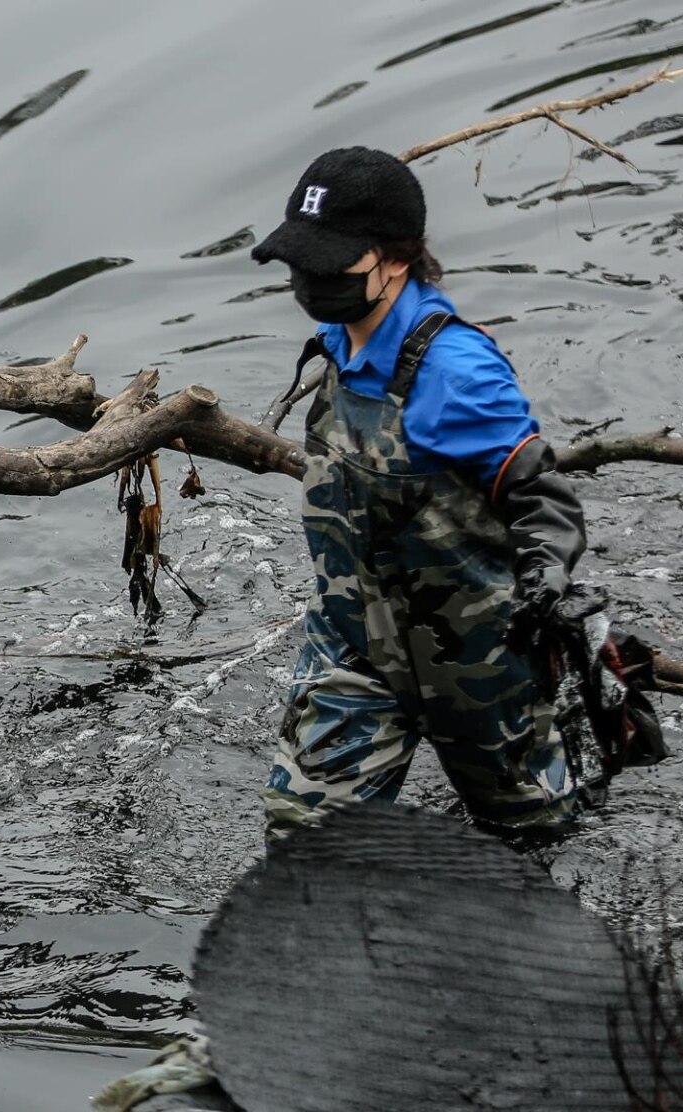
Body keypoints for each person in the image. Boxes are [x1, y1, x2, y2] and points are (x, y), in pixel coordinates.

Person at [250, 146, 587, 834]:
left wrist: (546, 582)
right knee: (304, 839)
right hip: (355, 643)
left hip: (475, 659)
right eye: (299, 262)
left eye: (327, 262)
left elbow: (544, 501)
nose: (309, 280)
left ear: (396, 260)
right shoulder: (339, 339)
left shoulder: (459, 371)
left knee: (530, 838)